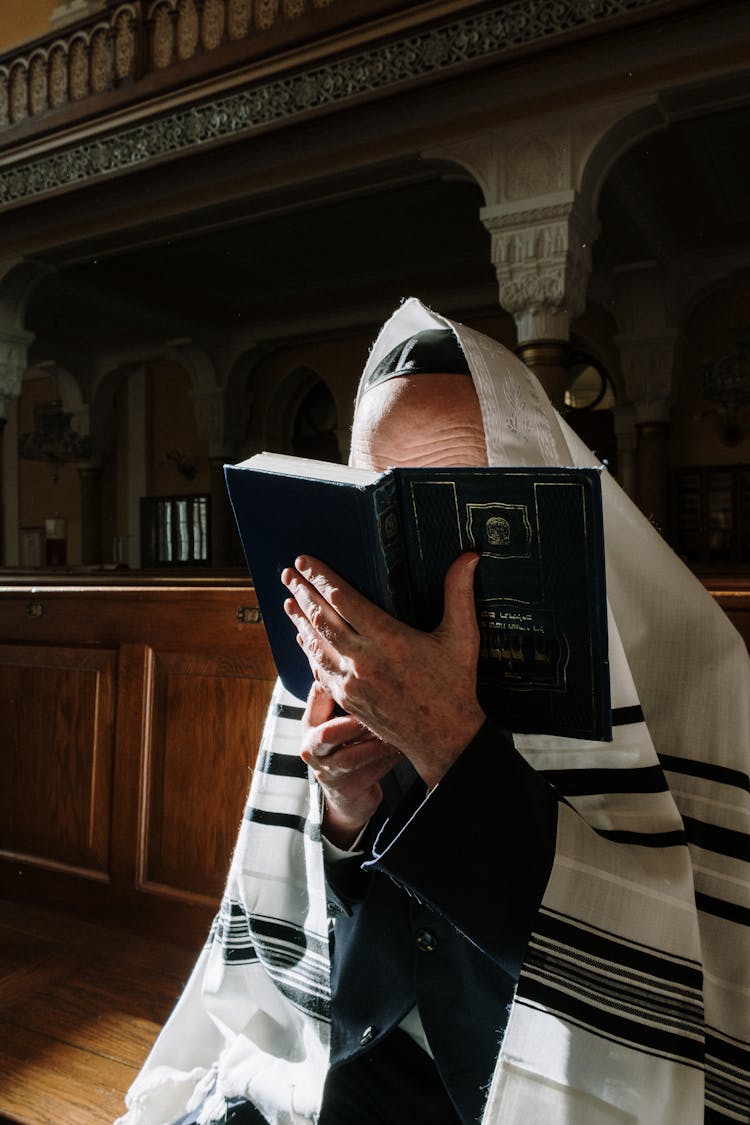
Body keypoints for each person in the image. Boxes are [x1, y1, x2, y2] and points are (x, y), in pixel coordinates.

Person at [117, 299, 750, 1125]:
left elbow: (670, 978)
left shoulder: (689, 680)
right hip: (358, 1069)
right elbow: (309, 961)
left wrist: (450, 743)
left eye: (462, 499)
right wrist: (344, 811)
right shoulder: (350, 645)